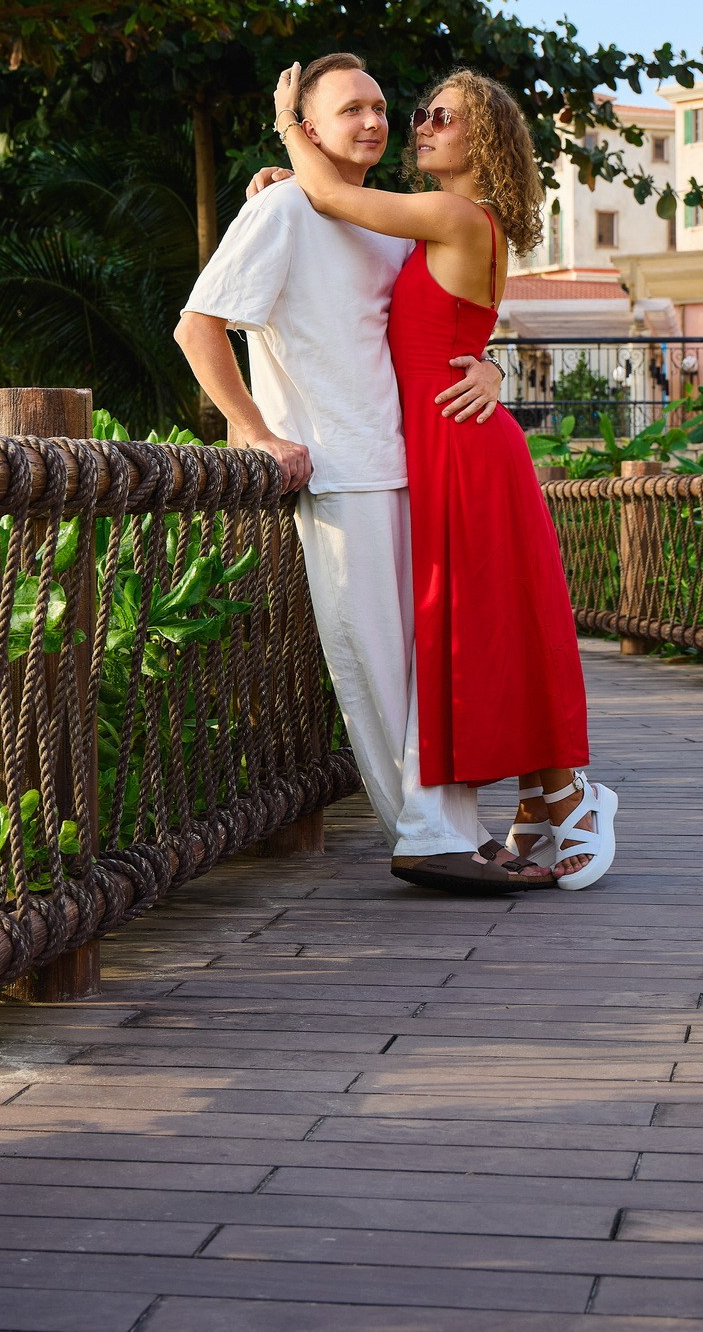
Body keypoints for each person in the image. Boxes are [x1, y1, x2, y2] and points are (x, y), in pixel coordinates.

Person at [173, 53, 553, 893]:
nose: (378, 120)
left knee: (423, 671)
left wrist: (488, 367)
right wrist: (253, 430)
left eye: (384, 105)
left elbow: (440, 319)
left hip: (415, 461)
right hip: (340, 467)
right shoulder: (280, 208)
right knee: (375, 663)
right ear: (309, 126)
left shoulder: (391, 221)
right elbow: (197, 328)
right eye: (352, 109)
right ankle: (425, 833)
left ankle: (455, 828)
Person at [264, 62, 614, 889]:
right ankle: (540, 799)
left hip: (458, 448)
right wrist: (293, 179)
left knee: (485, 624)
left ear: (481, 138)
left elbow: (345, 202)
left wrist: (290, 127)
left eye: (439, 116)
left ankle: (570, 796)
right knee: (476, 625)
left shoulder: (455, 214)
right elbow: (356, 229)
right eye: (418, 113)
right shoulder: (441, 222)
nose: (419, 124)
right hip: (443, 440)